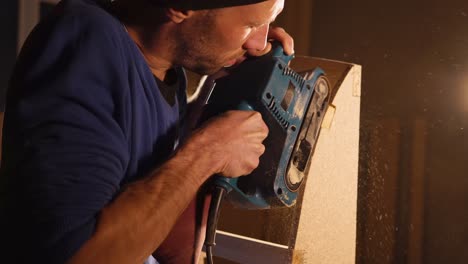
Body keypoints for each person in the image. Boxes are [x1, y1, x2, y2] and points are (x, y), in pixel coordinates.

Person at [0, 0, 294, 263]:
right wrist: (207, 152)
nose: (261, 43)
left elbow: (167, 242)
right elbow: (79, 254)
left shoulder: (166, 71)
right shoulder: (87, 44)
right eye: (252, 24)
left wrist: (234, 88)